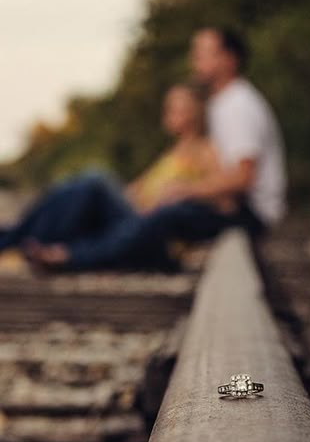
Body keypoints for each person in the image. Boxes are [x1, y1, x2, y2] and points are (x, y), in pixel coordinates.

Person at [1, 26, 287, 272]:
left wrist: (185, 190)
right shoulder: (224, 106)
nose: (194, 61)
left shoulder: (237, 105)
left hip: (247, 215)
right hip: (226, 212)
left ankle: (58, 252)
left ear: (229, 59)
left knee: (105, 187)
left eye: (202, 54)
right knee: (91, 185)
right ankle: (20, 240)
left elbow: (242, 178)